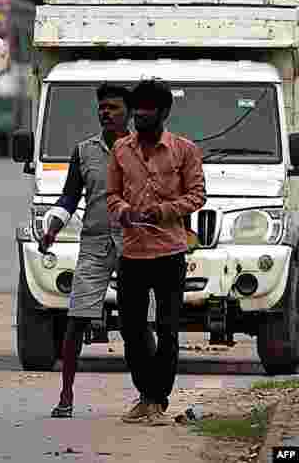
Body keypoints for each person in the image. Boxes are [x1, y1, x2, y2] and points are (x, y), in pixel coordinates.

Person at [107, 79, 206, 425]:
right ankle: (146, 394)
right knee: (132, 329)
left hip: (170, 252)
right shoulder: (120, 150)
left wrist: (162, 211)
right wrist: (123, 211)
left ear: (163, 113)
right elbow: (111, 195)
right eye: (137, 111)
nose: (140, 117)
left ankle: (157, 400)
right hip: (132, 253)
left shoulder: (185, 150)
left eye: (148, 111)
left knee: (167, 328)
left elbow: (197, 196)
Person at [40, 83, 133, 418]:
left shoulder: (143, 150)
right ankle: (66, 396)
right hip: (94, 243)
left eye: (114, 108)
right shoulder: (84, 151)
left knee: (143, 322)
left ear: (130, 113)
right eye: (103, 107)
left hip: (135, 244)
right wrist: (52, 228)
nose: (106, 112)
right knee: (76, 319)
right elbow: (69, 199)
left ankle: (150, 396)